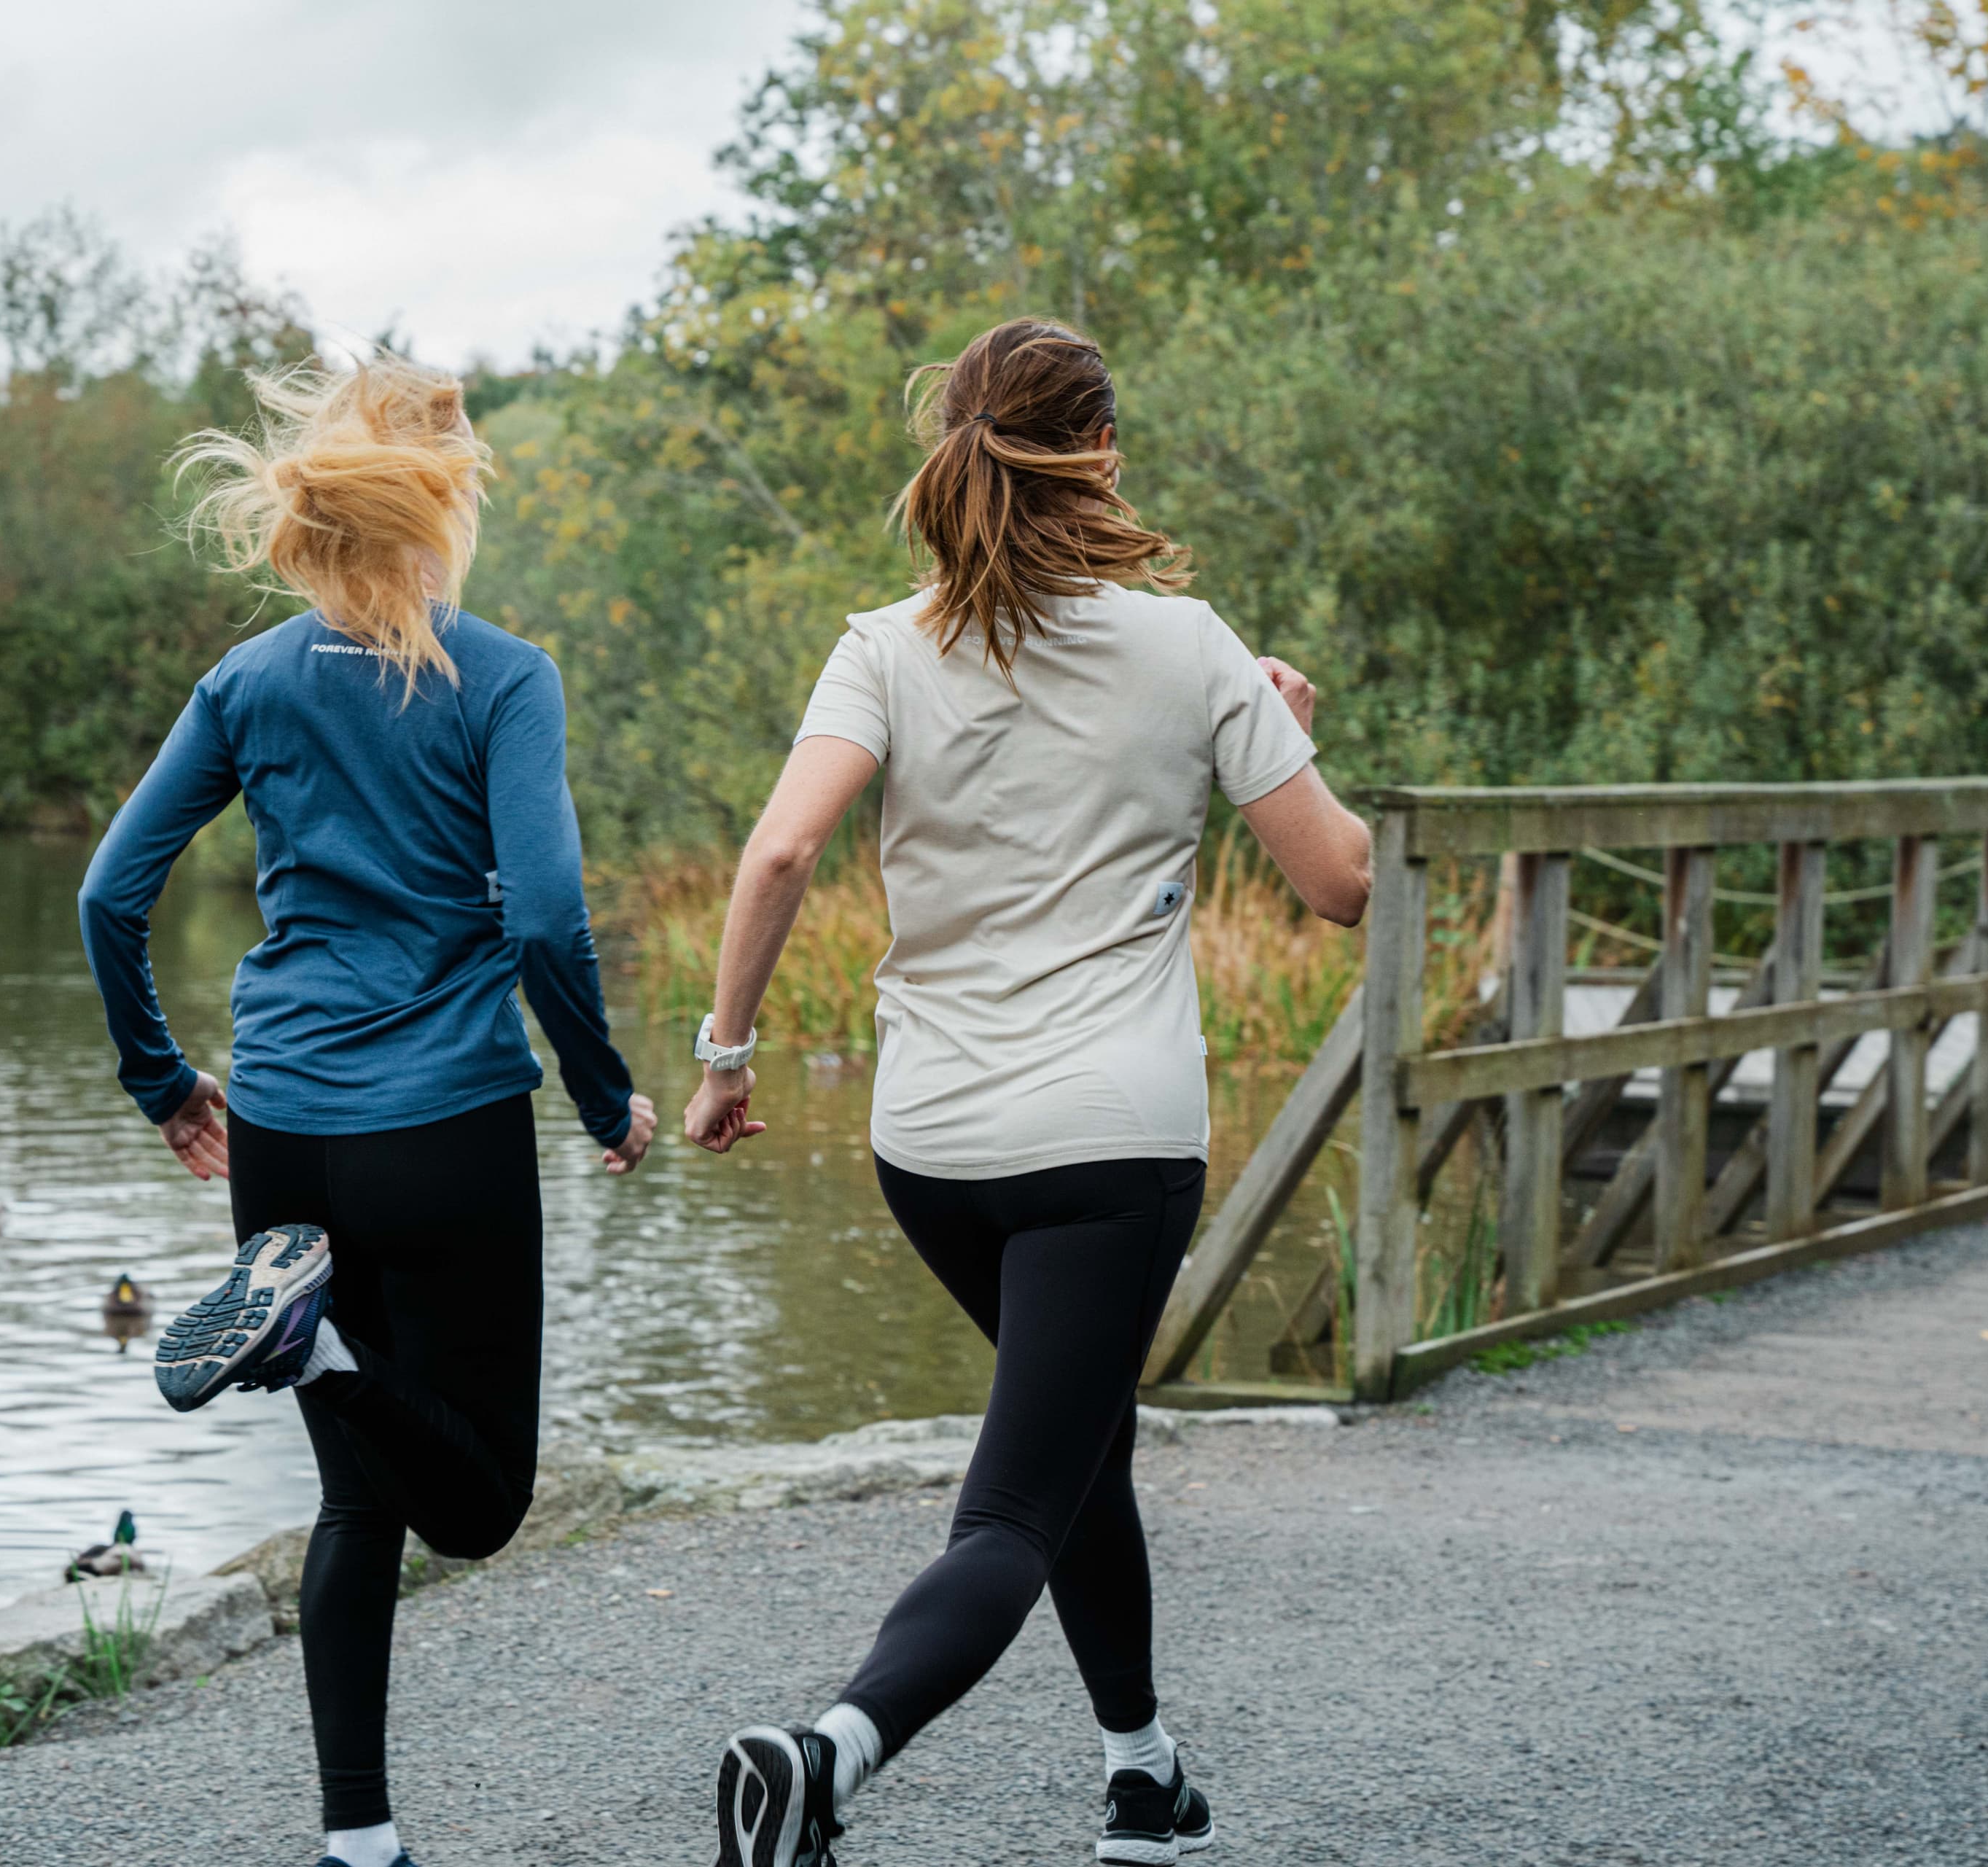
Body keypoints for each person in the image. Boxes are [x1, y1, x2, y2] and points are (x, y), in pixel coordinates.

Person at [687, 318, 1372, 1867]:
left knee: (1079, 1445)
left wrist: (727, 1059)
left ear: (953, 447)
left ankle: (1144, 1774)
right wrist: (1288, 736)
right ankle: (829, 1756)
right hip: (1110, 1147)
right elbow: (1338, 883)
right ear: (1105, 457)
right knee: (1016, 1504)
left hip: (930, 1148)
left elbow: (782, 850)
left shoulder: (883, 642)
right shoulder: (1191, 645)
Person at [77, 350, 655, 1867]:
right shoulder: (503, 675)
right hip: (444, 1124)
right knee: (478, 1504)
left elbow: (108, 894)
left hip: (282, 1128)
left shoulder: (251, 678)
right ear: (442, 502)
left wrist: (162, 1080)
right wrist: (606, 1098)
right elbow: (542, 920)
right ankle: (313, 1337)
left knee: (360, 1504)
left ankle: (359, 1842)